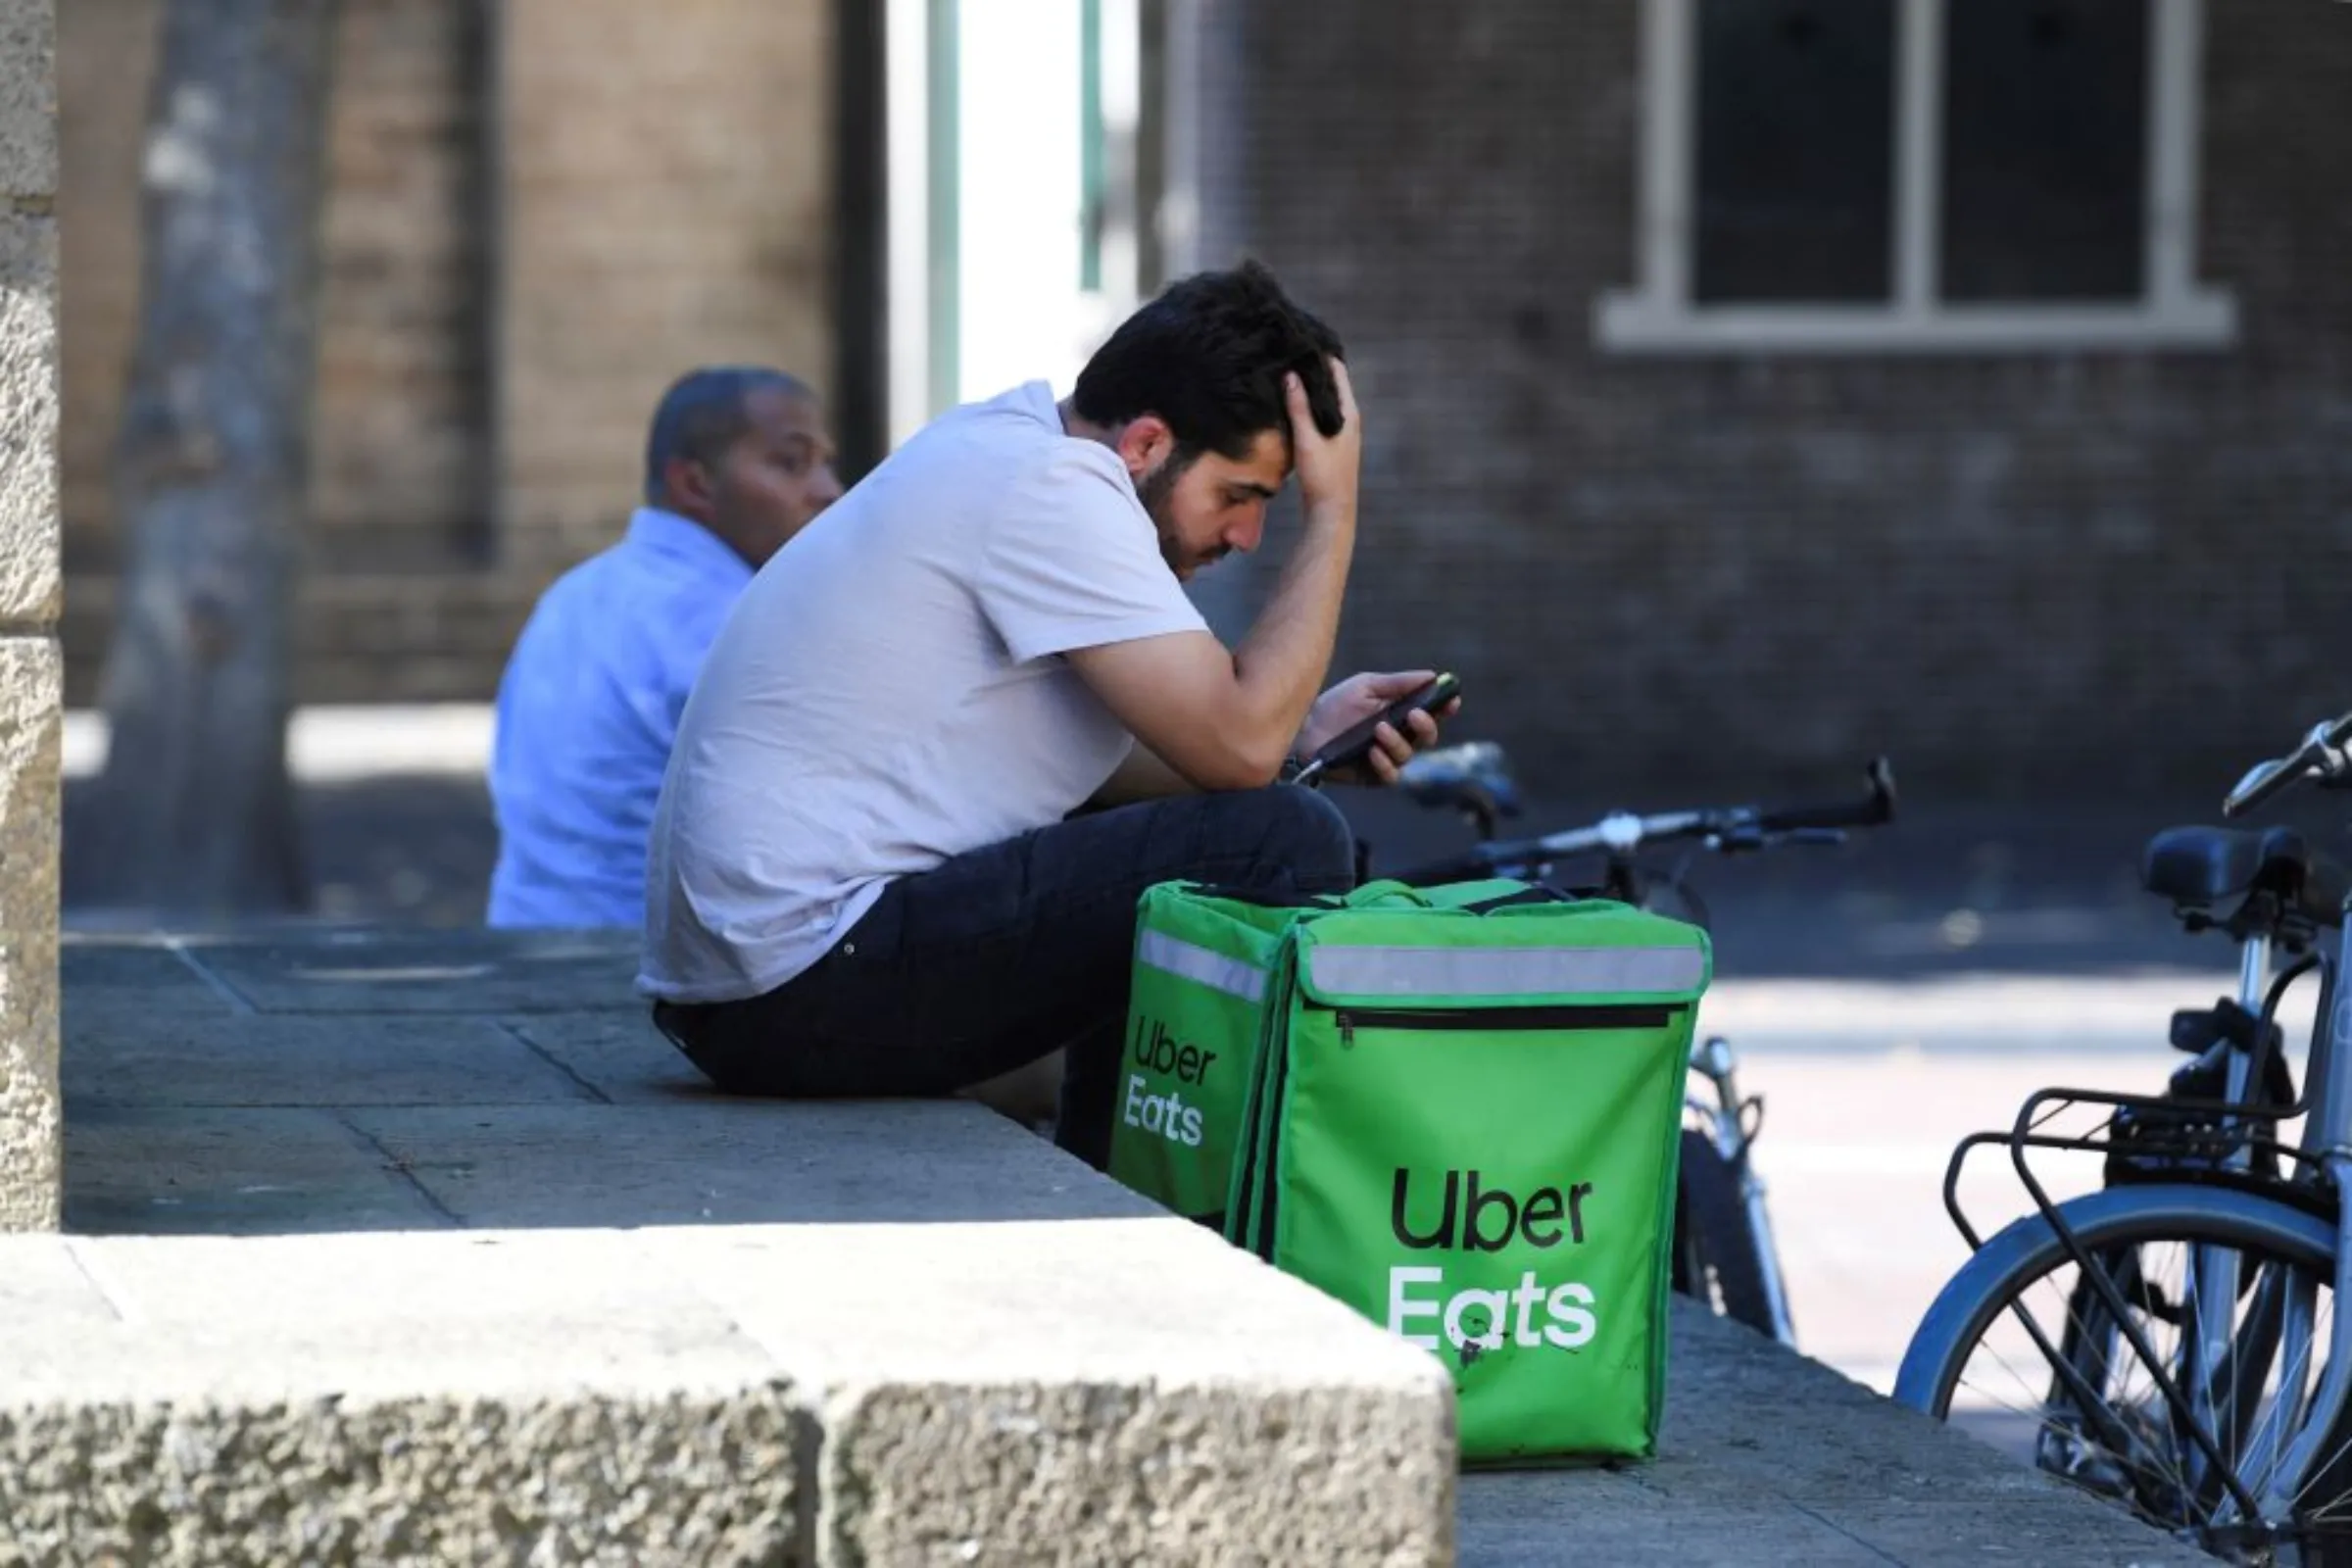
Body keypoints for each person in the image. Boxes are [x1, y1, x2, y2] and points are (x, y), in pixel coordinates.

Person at [639, 262, 1452, 1168]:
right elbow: (1237, 751)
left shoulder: (1005, 446)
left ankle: (1119, 1167)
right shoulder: (1055, 490)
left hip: (748, 990)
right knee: (1285, 841)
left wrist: (1302, 741)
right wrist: (1335, 513)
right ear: (1146, 445)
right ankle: (1151, 1179)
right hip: (798, 984)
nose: (1246, 536)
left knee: (1239, 820)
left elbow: (1185, 761)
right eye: (1241, 496)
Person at [484, 367, 844, 929]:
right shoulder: (735, 625)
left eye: (825, 462)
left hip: (522, 932)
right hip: (643, 958)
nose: (828, 491)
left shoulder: (576, 591)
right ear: (695, 484)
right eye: (791, 463)